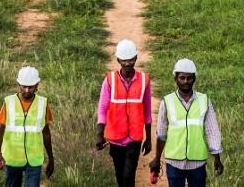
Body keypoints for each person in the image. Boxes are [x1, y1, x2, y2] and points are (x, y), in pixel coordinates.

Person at [149, 59, 223, 187]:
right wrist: (157, 159)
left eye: (189, 78)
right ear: (175, 79)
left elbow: (212, 131)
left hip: (198, 163)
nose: (185, 82)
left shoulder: (204, 100)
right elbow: (161, 134)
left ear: (194, 79)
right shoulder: (167, 102)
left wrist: (217, 158)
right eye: (182, 78)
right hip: (174, 162)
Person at [95, 39, 152, 187]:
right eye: (124, 60)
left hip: (134, 138)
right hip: (115, 137)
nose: (128, 64)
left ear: (136, 58)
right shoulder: (110, 80)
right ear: (118, 59)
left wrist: (149, 138)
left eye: (131, 60)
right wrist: (100, 134)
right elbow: (102, 109)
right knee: (120, 175)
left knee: (128, 177)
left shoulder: (144, 81)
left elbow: (147, 110)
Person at [0, 66, 54, 187]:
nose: (27, 90)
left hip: (34, 160)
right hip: (12, 157)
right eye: (24, 86)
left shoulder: (43, 104)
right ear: (18, 84)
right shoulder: (9, 102)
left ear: (37, 85)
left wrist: (51, 158)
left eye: (30, 87)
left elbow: (46, 133)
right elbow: (0, 130)